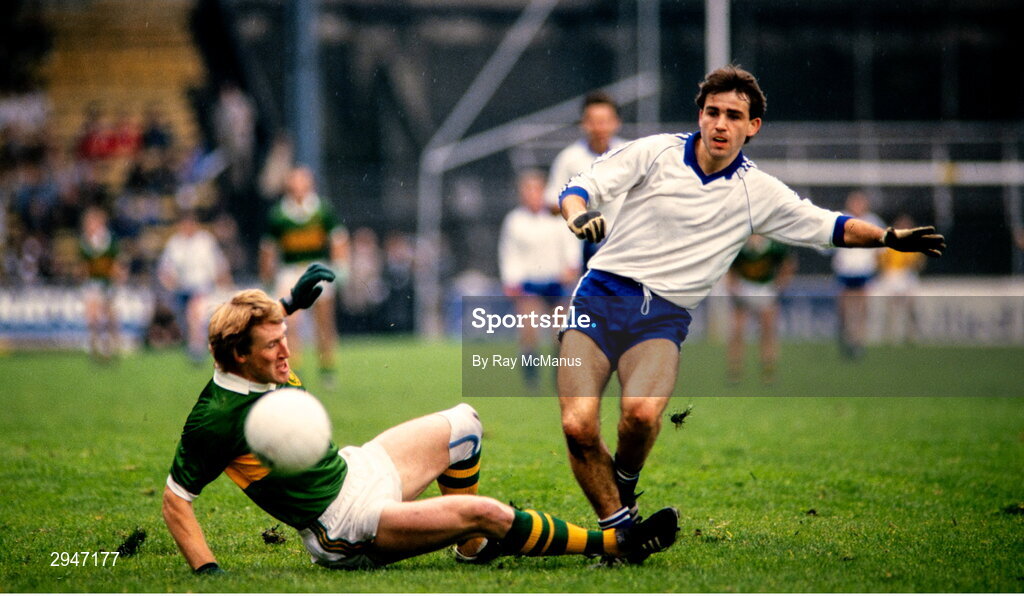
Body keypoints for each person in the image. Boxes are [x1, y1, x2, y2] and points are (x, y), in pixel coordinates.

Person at [554, 65, 945, 535]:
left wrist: (886, 237)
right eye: (713, 112)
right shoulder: (655, 152)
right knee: (578, 426)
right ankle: (621, 532)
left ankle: (623, 488)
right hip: (600, 297)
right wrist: (578, 215)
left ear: (753, 126)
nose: (721, 123)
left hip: (662, 317)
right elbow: (581, 187)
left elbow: (827, 225)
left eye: (734, 116)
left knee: (640, 415)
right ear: (700, 115)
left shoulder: (757, 191)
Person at [162, 272, 680, 574]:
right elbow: (175, 500)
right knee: (485, 511)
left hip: (354, 468)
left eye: (284, 337)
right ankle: (617, 543)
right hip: (342, 526)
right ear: (239, 355)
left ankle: (471, 550)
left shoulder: (251, 354)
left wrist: (289, 304)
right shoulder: (215, 418)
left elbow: (258, 325)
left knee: (465, 423)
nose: (286, 350)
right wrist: (208, 573)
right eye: (273, 345)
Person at [260, 166, 348, 387]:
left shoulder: (322, 210)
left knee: (324, 321)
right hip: (290, 270)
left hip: (317, 267)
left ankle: (327, 368)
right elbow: (269, 248)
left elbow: (338, 239)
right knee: (290, 321)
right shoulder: (279, 214)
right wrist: (267, 276)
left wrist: (340, 267)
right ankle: (293, 369)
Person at [499, 169, 582, 388]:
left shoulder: (558, 217)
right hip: (529, 283)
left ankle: (559, 377)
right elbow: (509, 253)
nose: (531, 195)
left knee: (560, 333)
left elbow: (571, 245)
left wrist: (571, 267)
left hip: (556, 281)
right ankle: (531, 379)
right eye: (527, 190)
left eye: (535, 189)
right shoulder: (515, 220)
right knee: (529, 331)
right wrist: (511, 280)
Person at [544, 92, 627, 266]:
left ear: (616, 122)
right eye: (594, 121)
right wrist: (579, 206)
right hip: (582, 247)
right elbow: (552, 204)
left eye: (605, 121)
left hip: (624, 242)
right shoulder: (569, 158)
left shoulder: (630, 153)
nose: (599, 128)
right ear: (584, 123)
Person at [157, 211, 232, 362]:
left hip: (203, 288)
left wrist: (225, 284)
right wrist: (170, 284)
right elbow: (165, 270)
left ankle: (196, 349)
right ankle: (196, 345)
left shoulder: (206, 241)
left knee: (195, 314)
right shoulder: (174, 243)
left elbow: (220, 265)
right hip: (181, 290)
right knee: (189, 321)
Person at [725, 235, 796, 384]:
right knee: (737, 331)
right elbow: (729, 267)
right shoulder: (740, 245)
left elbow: (788, 264)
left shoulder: (773, 247)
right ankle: (735, 370)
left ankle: (768, 370)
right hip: (744, 290)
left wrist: (780, 284)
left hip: (765, 290)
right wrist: (733, 286)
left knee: (768, 332)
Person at [831, 191, 885, 359]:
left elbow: (882, 249)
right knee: (844, 309)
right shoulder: (841, 219)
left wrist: (875, 265)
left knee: (861, 309)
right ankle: (846, 335)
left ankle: (858, 341)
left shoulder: (873, 221)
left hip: (864, 272)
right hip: (845, 271)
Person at [78, 206, 123, 361]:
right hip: (92, 283)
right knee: (92, 316)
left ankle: (113, 346)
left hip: (107, 283)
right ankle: (94, 346)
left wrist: (116, 278)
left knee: (110, 317)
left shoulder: (109, 240)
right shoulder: (84, 241)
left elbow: (115, 263)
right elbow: (84, 266)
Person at [875, 213, 927, 344]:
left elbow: (920, 263)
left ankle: (910, 334)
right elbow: (879, 260)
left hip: (907, 275)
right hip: (891, 274)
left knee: (910, 307)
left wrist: (912, 265)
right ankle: (889, 335)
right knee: (890, 308)